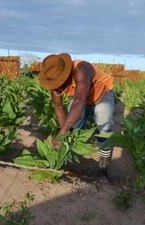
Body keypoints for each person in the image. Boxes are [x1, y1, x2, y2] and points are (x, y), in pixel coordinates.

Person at [39, 53, 115, 182]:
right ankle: (64, 163)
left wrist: (62, 132)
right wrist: (64, 133)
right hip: (81, 97)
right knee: (70, 127)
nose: (58, 87)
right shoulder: (53, 81)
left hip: (102, 95)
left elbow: (79, 101)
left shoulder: (81, 69)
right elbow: (58, 107)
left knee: (104, 129)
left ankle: (103, 170)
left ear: (66, 74)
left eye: (60, 83)